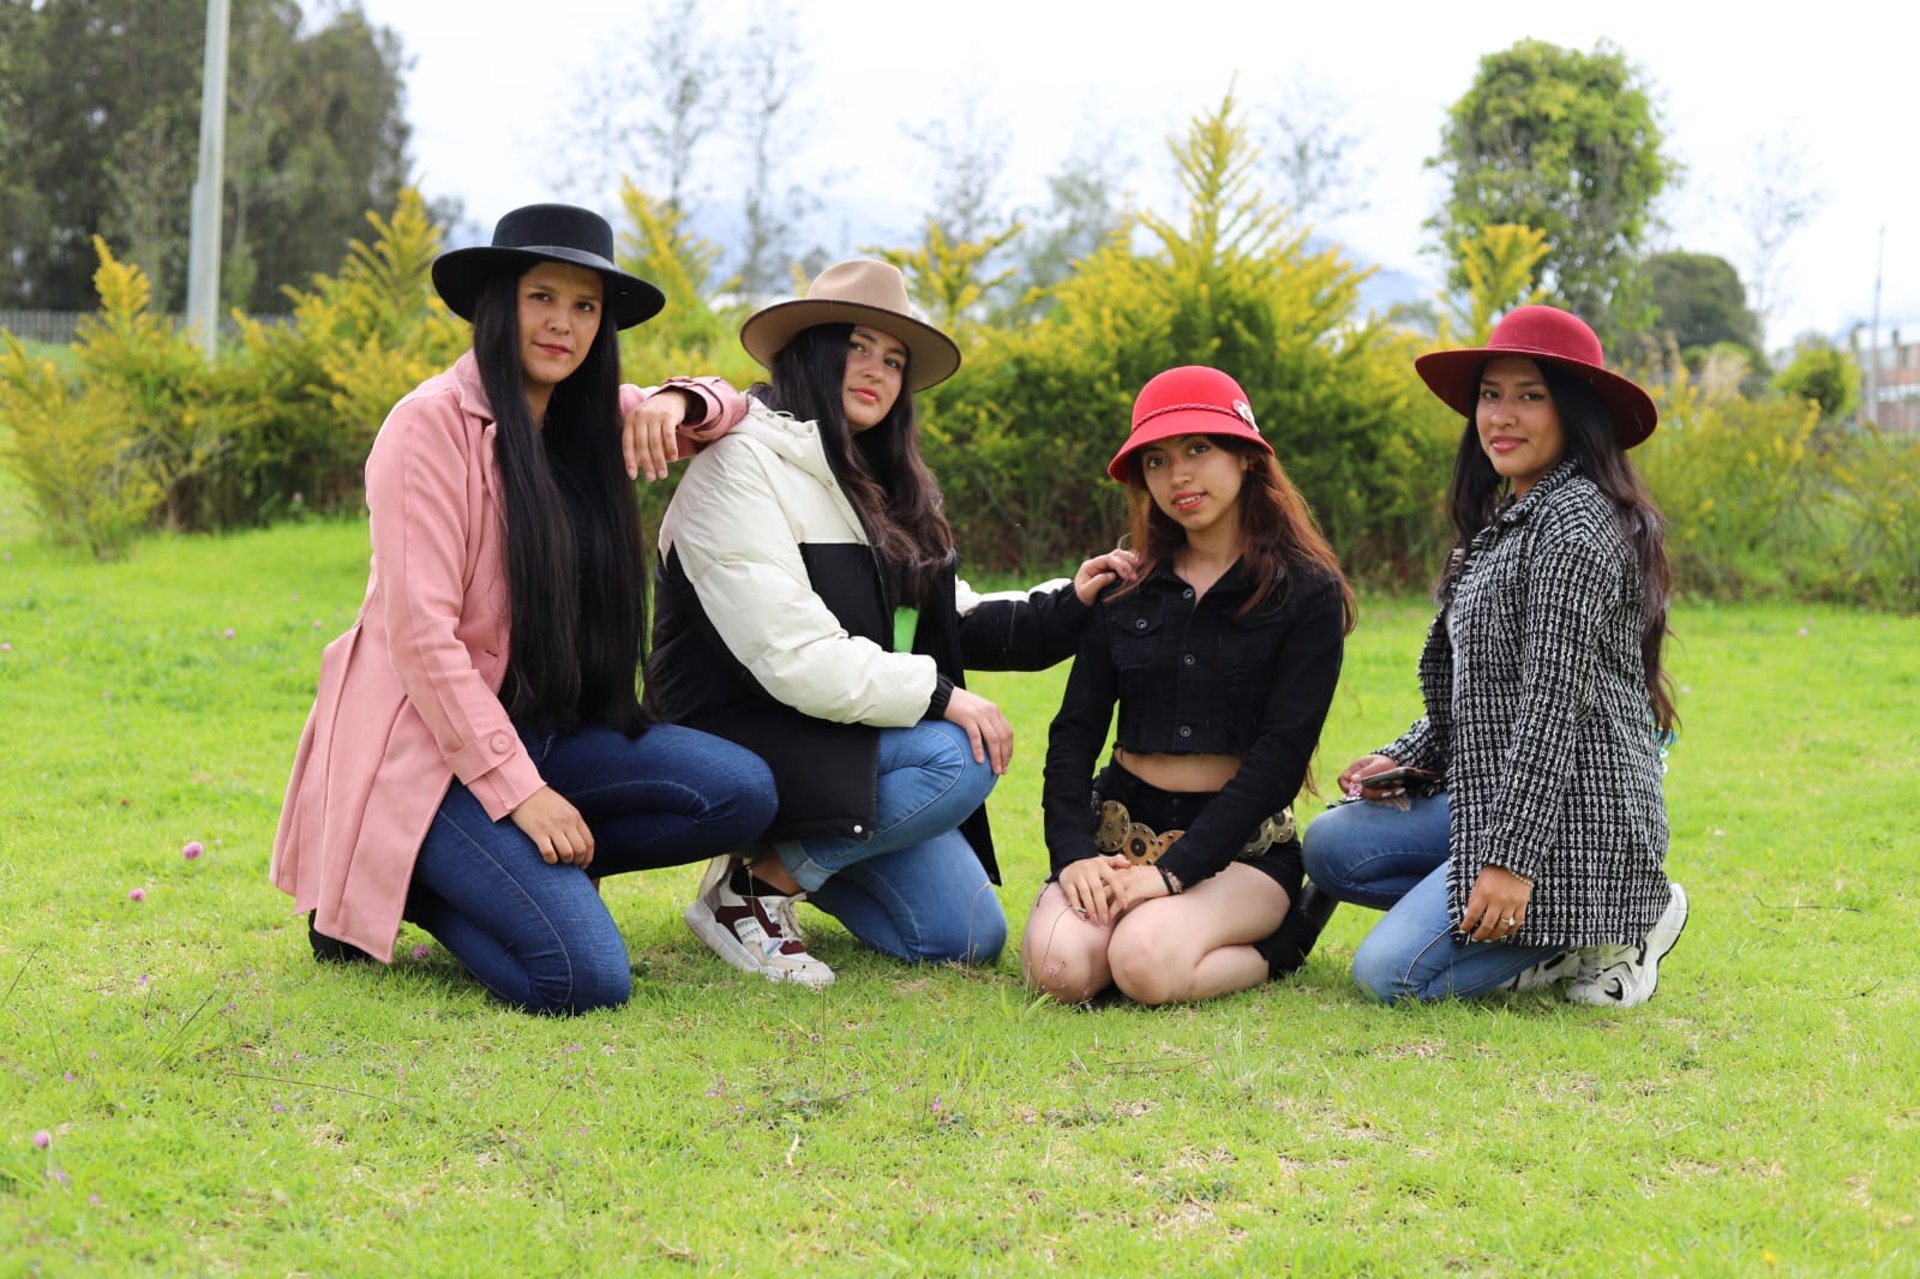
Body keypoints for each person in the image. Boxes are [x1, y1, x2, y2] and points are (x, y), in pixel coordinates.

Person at [269, 204, 778, 1015]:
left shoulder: (592, 418)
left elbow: (741, 406)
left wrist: (676, 400)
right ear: (498, 305)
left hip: (551, 734)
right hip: (433, 757)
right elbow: (424, 642)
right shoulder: (428, 427)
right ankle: (408, 881)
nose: (563, 325)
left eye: (585, 307)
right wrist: (519, 794)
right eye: (543, 297)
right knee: (583, 978)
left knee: (742, 790)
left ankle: (513, 872)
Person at [645, 259, 1133, 988]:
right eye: (859, 345)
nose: (877, 370)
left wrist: (1073, 600)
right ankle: (755, 889)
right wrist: (942, 697)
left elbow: (948, 619)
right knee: (958, 751)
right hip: (733, 740)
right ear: (813, 349)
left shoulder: (876, 481)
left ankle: (784, 862)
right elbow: (794, 654)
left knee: (963, 936)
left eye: (895, 358)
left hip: (833, 736)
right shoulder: (740, 466)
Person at [1302, 305, 1688, 1006]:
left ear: (1575, 413)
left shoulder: (1577, 528)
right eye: (1490, 394)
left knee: (1388, 973)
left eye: (1530, 396)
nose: (1501, 417)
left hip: (1575, 819)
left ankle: (1615, 913)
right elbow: (1481, 691)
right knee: (1333, 846)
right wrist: (1410, 755)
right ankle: (1509, 918)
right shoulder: (1511, 515)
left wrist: (1508, 864)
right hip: (1502, 789)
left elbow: (1549, 706)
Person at [1019, 366, 1355, 1006]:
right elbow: (1074, 735)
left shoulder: (1307, 593)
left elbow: (1280, 758)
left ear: (1246, 457)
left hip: (1240, 852)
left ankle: (1285, 939)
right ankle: (1141, 924)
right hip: (1117, 832)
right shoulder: (1124, 587)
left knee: (1143, 964)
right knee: (1060, 972)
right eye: (1156, 460)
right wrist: (1072, 855)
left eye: (1199, 449)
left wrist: (1174, 874)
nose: (1178, 477)